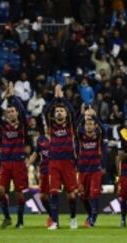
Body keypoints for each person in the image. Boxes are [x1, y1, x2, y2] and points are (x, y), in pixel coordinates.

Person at [0, 82, 29, 229]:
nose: (12, 113)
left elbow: (24, 112)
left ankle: (20, 220)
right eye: (9, 112)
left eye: (13, 111)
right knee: (0, 190)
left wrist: (13, 97)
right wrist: (3, 97)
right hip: (5, 163)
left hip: (18, 163)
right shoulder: (3, 126)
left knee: (19, 193)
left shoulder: (22, 126)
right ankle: (7, 218)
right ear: (6, 114)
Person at [44, 85, 78, 230]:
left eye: (61, 110)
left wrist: (62, 98)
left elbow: (73, 111)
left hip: (68, 162)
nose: (58, 113)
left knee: (72, 195)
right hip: (54, 162)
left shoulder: (71, 125)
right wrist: (55, 98)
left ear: (65, 113)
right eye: (57, 111)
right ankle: (55, 222)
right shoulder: (51, 124)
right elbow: (46, 112)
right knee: (53, 191)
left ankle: (73, 218)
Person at [76, 107, 107, 227]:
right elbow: (74, 126)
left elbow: (103, 128)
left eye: (91, 124)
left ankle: (93, 219)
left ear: (95, 125)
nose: (88, 126)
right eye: (87, 124)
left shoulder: (99, 135)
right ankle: (90, 214)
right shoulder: (80, 134)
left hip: (95, 169)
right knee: (83, 196)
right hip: (82, 169)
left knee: (94, 195)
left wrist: (94, 116)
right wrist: (83, 115)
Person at [26, 116, 52, 227]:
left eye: (49, 125)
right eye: (46, 126)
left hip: (58, 169)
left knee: (59, 193)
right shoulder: (41, 139)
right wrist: (28, 163)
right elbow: (36, 153)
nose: (48, 128)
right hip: (44, 169)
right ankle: (52, 216)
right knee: (43, 197)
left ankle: (69, 218)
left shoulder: (60, 138)